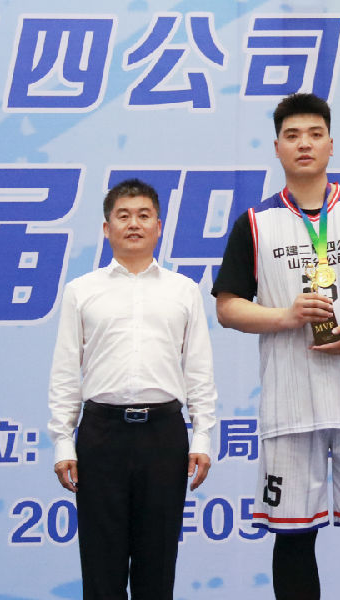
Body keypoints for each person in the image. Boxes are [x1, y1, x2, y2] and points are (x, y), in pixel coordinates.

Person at [212, 93, 340, 600]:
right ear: (277, 148)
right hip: (292, 404)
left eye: (314, 134)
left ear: (331, 144)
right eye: (292, 136)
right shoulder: (255, 223)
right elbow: (228, 306)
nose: (303, 144)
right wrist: (285, 317)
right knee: (292, 538)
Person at [48, 178, 217, 600]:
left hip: (164, 434)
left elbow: (199, 370)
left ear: (158, 226)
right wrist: (63, 442)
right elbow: (66, 372)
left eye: (144, 215)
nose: (134, 224)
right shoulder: (81, 291)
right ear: (107, 229)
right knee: (101, 568)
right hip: (101, 435)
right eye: (123, 216)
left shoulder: (184, 290)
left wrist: (202, 436)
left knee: (156, 566)